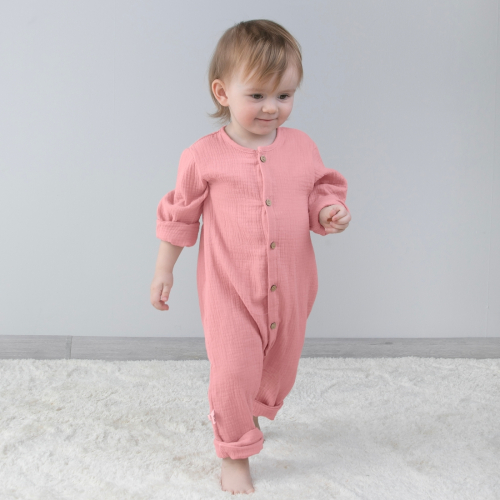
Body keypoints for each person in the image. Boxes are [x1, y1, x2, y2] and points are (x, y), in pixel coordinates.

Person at [150, 19, 351, 495]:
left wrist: (328, 210)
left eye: (284, 95)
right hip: (230, 290)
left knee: (278, 367)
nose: (272, 107)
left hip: (292, 287)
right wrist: (164, 269)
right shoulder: (203, 157)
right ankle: (235, 449)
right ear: (223, 92)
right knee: (234, 369)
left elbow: (318, 190)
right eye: (257, 95)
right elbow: (181, 215)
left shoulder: (301, 147)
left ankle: (249, 409)